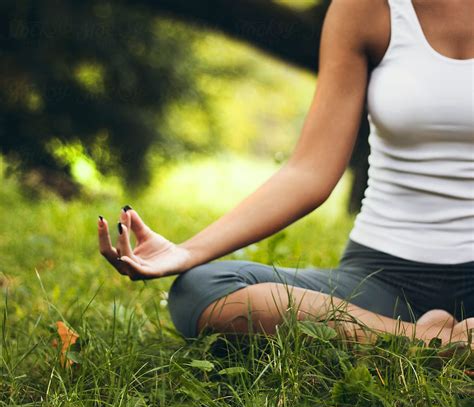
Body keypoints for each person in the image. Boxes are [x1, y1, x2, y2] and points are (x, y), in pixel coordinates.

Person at [98, 0, 474, 347]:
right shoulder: (366, 8)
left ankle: (386, 341)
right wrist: (186, 251)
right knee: (200, 289)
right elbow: (309, 171)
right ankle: (431, 343)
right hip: (382, 277)